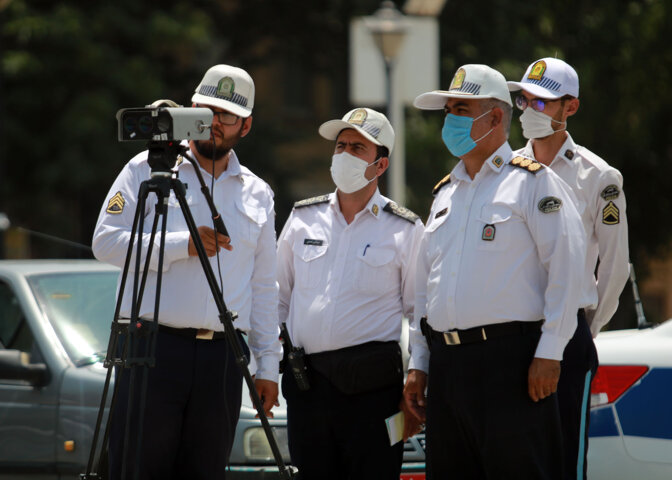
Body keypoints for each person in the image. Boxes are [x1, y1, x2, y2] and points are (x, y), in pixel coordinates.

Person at [92, 64, 280, 480]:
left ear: (245, 127)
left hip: (222, 357)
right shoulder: (147, 169)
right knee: (137, 469)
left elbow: (264, 286)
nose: (212, 124)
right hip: (152, 349)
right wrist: (183, 245)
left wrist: (268, 367)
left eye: (226, 117)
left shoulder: (258, 192)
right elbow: (104, 242)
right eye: (204, 111)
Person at [404, 64, 587, 479]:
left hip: (511, 363)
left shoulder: (532, 184)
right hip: (449, 366)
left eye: (461, 109)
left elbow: (567, 268)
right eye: (448, 109)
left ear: (496, 117)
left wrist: (550, 352)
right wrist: (419, 361)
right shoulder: (444, 194)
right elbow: (423, 289)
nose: (450, 119)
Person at [277, 107, 424, 479]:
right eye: (340, 146)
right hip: (307, 385)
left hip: (373, 389)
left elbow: (419, 311)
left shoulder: (405, 229)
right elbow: (275, 297)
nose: (344, 155)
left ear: (381, 164)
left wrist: (418, 372)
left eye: (357, 148)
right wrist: (269, 360)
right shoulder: (302, 217)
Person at [507, 57, 630, 480]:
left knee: (561, 459)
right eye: (524, 100)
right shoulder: (504, 173)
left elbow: (614, 267)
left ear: (570, 108)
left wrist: (581, 328)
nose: (528, 110)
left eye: (542, 102)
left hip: (565, 333)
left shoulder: (598, 176)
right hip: (511, 330)